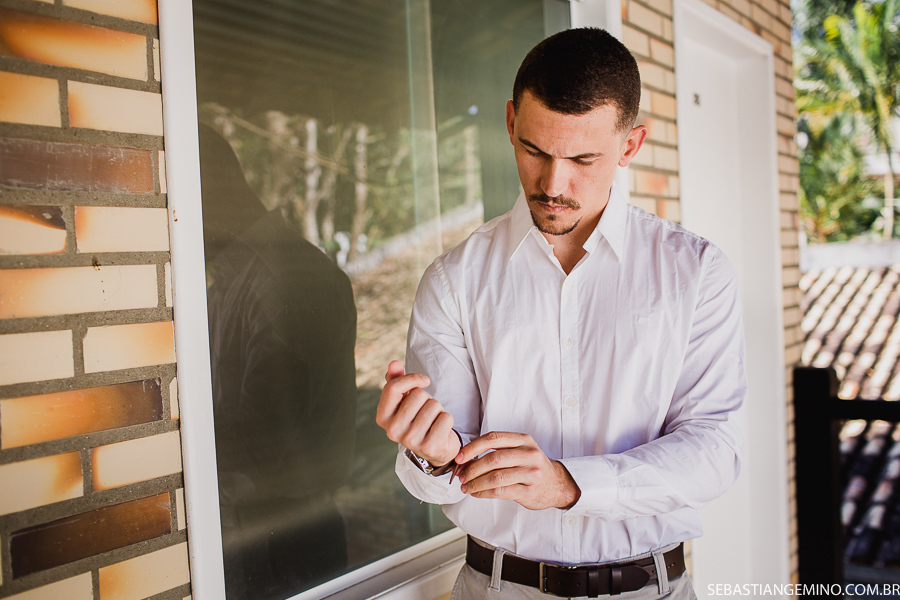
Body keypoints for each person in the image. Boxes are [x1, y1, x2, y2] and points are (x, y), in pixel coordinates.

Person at [376, 28, 745, 599]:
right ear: (509, 123)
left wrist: (569, 485)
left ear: (630, 145)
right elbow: (444, 473)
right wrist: (435, 457)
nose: (553, 183)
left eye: (582, 158)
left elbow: (715, 451)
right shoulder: (454, 280)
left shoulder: (696, 272)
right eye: (535, 151)